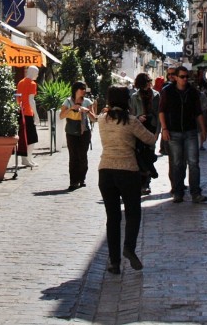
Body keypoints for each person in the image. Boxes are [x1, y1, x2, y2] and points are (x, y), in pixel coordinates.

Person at [97, 86, 158, 274]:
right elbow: (150, 139)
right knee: (133, 213)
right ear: (127, 101)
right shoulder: (131, 121)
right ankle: (129, 247)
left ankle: (114, 263)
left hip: (105, 171)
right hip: (128, 171)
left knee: (112, 218)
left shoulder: (102, 119)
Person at [159, 65, 207, 203]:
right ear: (175, 77)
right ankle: (178, 191)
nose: (185, 79)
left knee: (193, 162)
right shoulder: (167, 91)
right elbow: (161, 111)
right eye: (182, 77)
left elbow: (198, 112)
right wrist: (164, 129)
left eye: (187, 77)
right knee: (177, 163)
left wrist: (203, 129)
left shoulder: (192, 92)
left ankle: (196, 193)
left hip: (190, 131)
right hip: (174, 132)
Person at [59, 81, 96, 191]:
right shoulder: (67, 101)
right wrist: (71, 108)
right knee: (73, 156)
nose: (84, 91)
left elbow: (94, 119)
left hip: (84, 132)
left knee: (82, 156)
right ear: (76, 90)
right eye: (82, 88)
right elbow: (61, 116)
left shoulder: (87, 102)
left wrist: (87, 111)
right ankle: (73, 181)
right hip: (71, 132)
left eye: (85, 89)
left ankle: (82, 178)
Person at [130, 73, 160, 195]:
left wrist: (158, 131)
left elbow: (159, 115)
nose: (148, 84)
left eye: (149, 81)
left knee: (149, 153)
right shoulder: (134, 96)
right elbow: (132, 114)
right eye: (146, 82)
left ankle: (147, 181)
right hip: (139, 127)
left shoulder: (156, 95)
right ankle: (144, 181)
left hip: (151, 127)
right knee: (140, 154)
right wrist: (138, 118)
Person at [16, 66, 40, 168]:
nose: (37, 75)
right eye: (37, 73)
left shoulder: (20, 82)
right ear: (33, 73)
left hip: (21, 112)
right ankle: (27, 159)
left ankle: (25, 159)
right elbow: (31, 100)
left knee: (23, 137)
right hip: (28, 113)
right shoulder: (32, 84)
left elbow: (18, 98)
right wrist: (36, 115)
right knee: (32, 138)